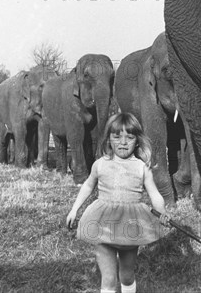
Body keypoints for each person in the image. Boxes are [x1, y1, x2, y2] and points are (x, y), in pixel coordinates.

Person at [66, 112, 171, 293]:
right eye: (117, 136)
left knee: (127, 275)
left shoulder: (141, 168)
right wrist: (75, 209)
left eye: (129, 137)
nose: (123, 142)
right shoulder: (100, 164)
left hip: (130, 227)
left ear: (137, 140)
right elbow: (88, 186)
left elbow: (155, 194)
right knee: (108, 278)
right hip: (103, 225)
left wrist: (162, 213)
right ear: (108, 139)